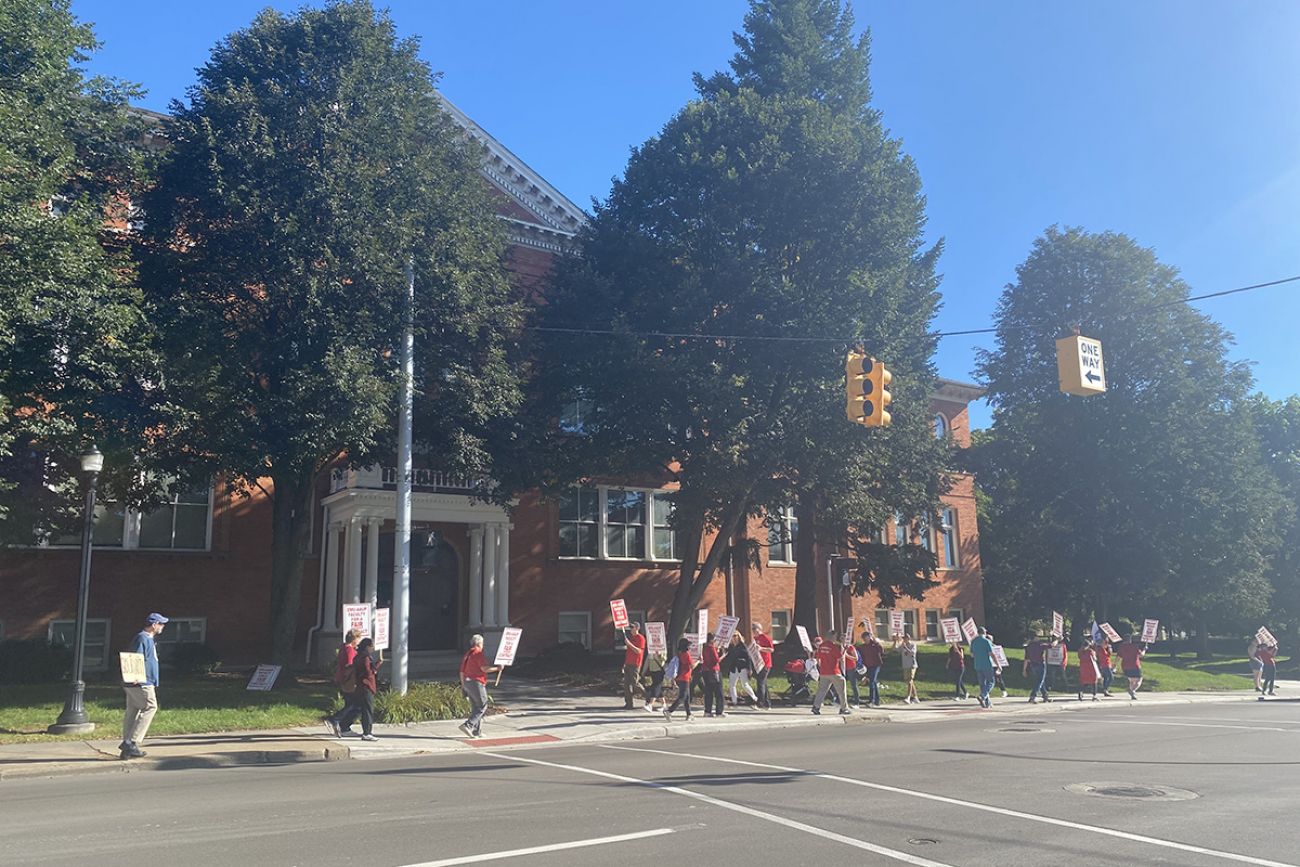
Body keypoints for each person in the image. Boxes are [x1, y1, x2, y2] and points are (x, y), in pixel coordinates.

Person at [120, 612, 167, 760]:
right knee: (151, 707)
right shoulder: (143, 638)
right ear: (154, 625)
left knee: (133, 710)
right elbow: (135, 657)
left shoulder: (148, 639)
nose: (162, 627)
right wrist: (136, 676)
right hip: (141, 681)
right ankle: (132, 742)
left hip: (137, 681)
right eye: (161, 624)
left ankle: (127, 749)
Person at [459, 633, 499, 739]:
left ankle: (477, 731)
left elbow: (462, 671)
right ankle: (468, 725)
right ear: (479, 643)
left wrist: (463, 686)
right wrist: (497, 669)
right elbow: (484, 669)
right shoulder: (478, 653)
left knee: (476, 707)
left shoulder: (468, 654)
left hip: (468, 682)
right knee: (482, 705)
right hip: (476, 682)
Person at [326, 628, 362, 737]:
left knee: (350, 703)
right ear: (354, 639)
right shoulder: (350, 650)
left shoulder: (343, 648)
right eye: (358, 639)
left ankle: (344, 727)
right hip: (349, 680)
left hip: (342, 679)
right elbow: (350, 665)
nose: (359, 641)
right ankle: (335, 719)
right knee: (355, 704)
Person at [811, 631, 851, 715]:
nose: (836, 638)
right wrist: (844, 650)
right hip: (834, 671)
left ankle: (816, 707)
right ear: (832, 637)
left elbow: (818, 658)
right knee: (841, 690)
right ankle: (844, 708)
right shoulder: (833, 647)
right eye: (835, 636)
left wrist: (820, 667)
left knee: (821, 690)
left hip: (824, 672)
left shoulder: (821, 646)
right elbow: (840, 658)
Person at [352, 637, 383, 741]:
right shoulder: (365, 657)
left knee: (362, 708)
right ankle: (367, 732)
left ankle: (366, 731)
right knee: (368, 710)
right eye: (371, 646)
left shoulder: (358, 656)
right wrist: (377, 666)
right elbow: (368, 672)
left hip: (361, 685)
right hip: (366, 686)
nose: (372, 648)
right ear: (367, 647)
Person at [664, 637, 694, 721]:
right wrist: (699, 661)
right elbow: (692, 666)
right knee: (682, 696)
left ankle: (689, 714)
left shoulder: (679, 654)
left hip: (679, 677)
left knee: (687, 696)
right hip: (685, 678)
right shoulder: (687, 654)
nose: (690, 647)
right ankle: (669, 710)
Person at [724, 632, 758, 707]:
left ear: (739, 636)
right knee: (732, 685)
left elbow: (748, 657)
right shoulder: (731, 646)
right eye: (732, 636)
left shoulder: (743, 646)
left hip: (742, 667)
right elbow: (728, 656)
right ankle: (734, 701)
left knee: (745, 684)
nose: (734, 637)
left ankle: (754, 698)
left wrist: (749, 668)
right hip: (734, 667)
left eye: (735, 635)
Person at [621, 622, 647, 710]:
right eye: (630, 627)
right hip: (628, 663)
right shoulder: (631, 638)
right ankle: (629, 704)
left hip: (635, 664)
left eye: (632, 627)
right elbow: (628, 652)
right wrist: (624, 664)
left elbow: (639, 651)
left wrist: (629, 644)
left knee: (635, 683)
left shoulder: (641, 638)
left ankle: (649, 696)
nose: (631, 629)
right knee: (627, 685)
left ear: (637, 628)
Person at [969, 627, 996, 708]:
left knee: (982, 684)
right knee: (991, 682)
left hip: (977, 665)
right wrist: (998, 665)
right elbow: (992, 654)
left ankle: (987, 702)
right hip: (987, 665)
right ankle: (982, 696)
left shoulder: (973, 641)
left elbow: (972, 655)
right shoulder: (986, 641)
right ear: (984, 632)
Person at [701, 632, 726, 717]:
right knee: (719, 692)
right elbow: (716, 660)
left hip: (705, 671)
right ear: (711, 640)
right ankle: (719, 711)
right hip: (714, 671)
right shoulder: (711, 648)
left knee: (708, 692)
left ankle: (707, 711)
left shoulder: (704, 647)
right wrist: (723, 655)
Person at [1115, 634, 1147, 698]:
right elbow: (1141, 655)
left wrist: (1114, 665)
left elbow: (1118, 657)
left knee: (1131, 681)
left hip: (1125, 666)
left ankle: (1132, 695)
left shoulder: (1121, 647)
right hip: (1135, 666)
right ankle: (1132, 690)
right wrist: (1144, 650)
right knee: (1139, 679)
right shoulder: (1134, 646)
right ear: (1130, 640)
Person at [752, 622, 774, 709]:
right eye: (752, 629)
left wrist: (761, 648)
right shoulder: (754, 638)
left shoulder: (765, 637)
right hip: (758, 663)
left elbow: (771, 649)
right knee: (763, 683)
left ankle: (760, 703)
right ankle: (767, 703)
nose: (753, 631)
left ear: (759, 629)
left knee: (760, 683)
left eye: (754, 629)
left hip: (765, 663)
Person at [1023, 634, 1051, 703]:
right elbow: (1051, 645)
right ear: (1035, 638)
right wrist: (1057, 640)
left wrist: (1024, 669)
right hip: (1041, 664)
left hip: (1033, 665)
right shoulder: (1040, 645)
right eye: (1037, 637)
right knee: (1039, 681)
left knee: (1041, 680)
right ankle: (1033, 696)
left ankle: (1045, 696)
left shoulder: (1028, 646)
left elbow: (1026, 659)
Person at [894, 633, 919, 704]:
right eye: (903, 638)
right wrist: (895, 641)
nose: (904, 639)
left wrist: (906, 647)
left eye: (906, 638)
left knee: (910, 680)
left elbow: (912, 653)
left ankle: (908, 697)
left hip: (912, 665)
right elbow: (894, 649)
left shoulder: (913, 645)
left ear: (909, 638)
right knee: (908, 682)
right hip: (905, 665)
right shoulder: (902, 645)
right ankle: (915, 697)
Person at [643, 648, 668, 714]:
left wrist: (659, 655)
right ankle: (664, 705)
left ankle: (650, 704)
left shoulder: (662, 649)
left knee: (656, 687)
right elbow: (647, 660)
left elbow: (664, 659)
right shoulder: (650, 648)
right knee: (658, 688)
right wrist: (644, 671)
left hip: (659, 671)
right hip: (652, 671)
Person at [842, 631, 863, 708]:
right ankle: (842, 701)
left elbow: (856, 658)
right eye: (842, 638)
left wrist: (847, 655)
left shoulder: (851, 647)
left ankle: (856, 702)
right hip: (843, 668)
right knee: (841, 685)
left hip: (851, 668)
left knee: (853, 685)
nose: (843, 640)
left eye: (844, 638)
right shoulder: (842, 647)